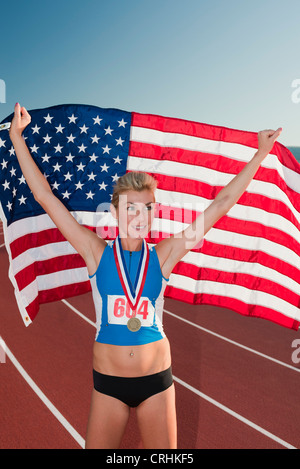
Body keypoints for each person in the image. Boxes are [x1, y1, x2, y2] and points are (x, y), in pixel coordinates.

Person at [9, 103, 282, 449]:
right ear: (114, 211)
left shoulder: (165, 254)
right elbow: (45, 198)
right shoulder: (95, 251)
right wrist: (17, 138)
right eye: (131, 208)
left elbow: (220, 205)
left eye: (147, 209)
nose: (140, 217)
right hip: (108, 384)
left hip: (156, 383)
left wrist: (260, 155)